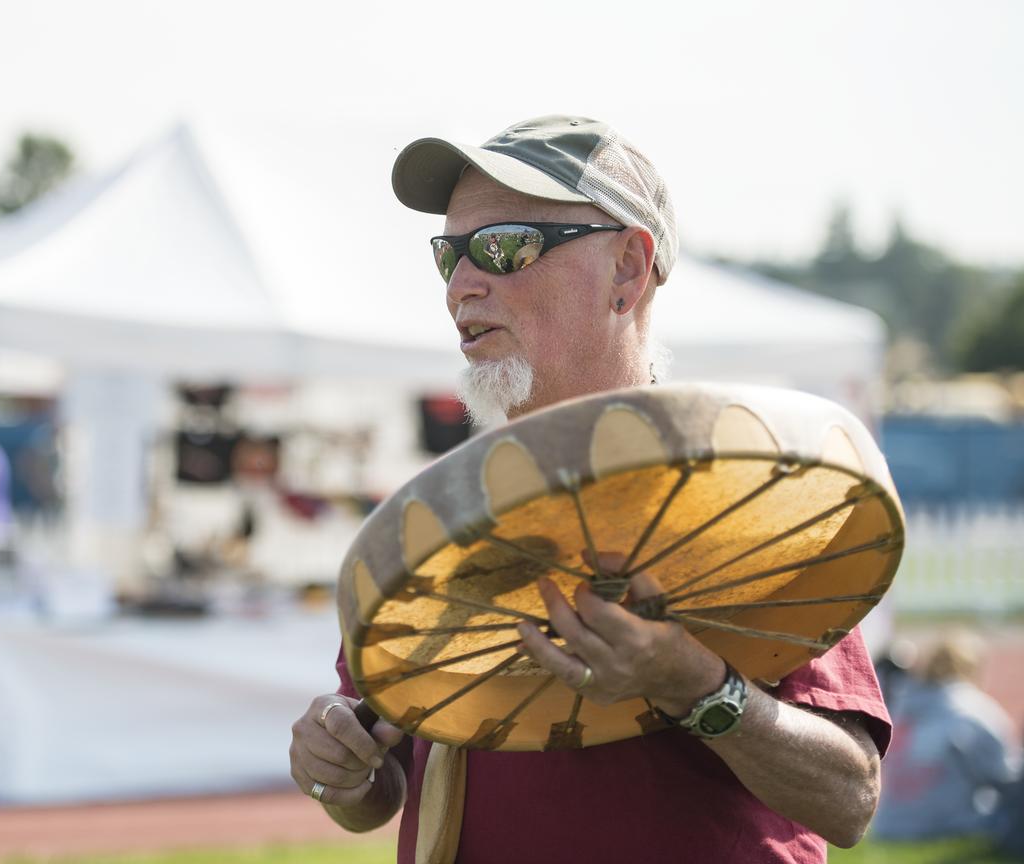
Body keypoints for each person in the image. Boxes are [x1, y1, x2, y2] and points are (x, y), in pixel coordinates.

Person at [288, 116, 892, 864]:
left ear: (628, 271)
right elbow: (382, 786)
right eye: (450, 256)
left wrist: (696, 688)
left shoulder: (742, 484)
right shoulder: (435, 514)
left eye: (506, 247)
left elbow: (849, 798)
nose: (462, 286)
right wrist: (342, 771)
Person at [872, 631, 1021, 841]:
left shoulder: (899, 707)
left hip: (889, 824)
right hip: (946, 824)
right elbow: (1006, 775)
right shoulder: (972, 710)